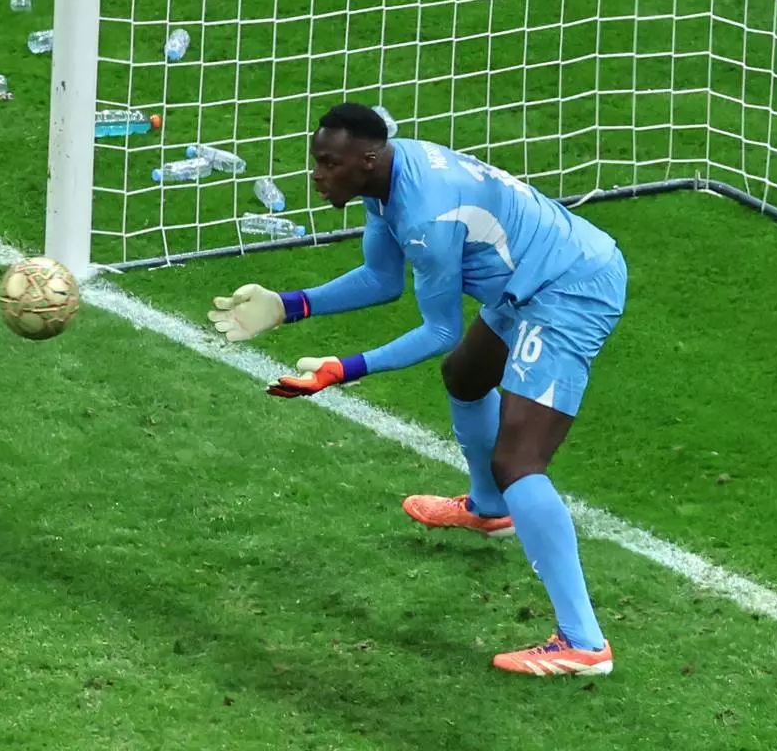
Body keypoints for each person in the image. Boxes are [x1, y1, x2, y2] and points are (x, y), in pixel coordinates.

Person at [208, 102, 627, 676]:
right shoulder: (387, 181)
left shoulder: (426, 213)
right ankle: (489, 509)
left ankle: (583, 641)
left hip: (567, 287)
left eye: (329, 164)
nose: (317, 174)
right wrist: (289, 305)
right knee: (466, 375)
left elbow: (440, 328)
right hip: (526, 282)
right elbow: (381, 282)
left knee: (520, 458)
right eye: (317, 161)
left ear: (367, 159)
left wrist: (344, 368)